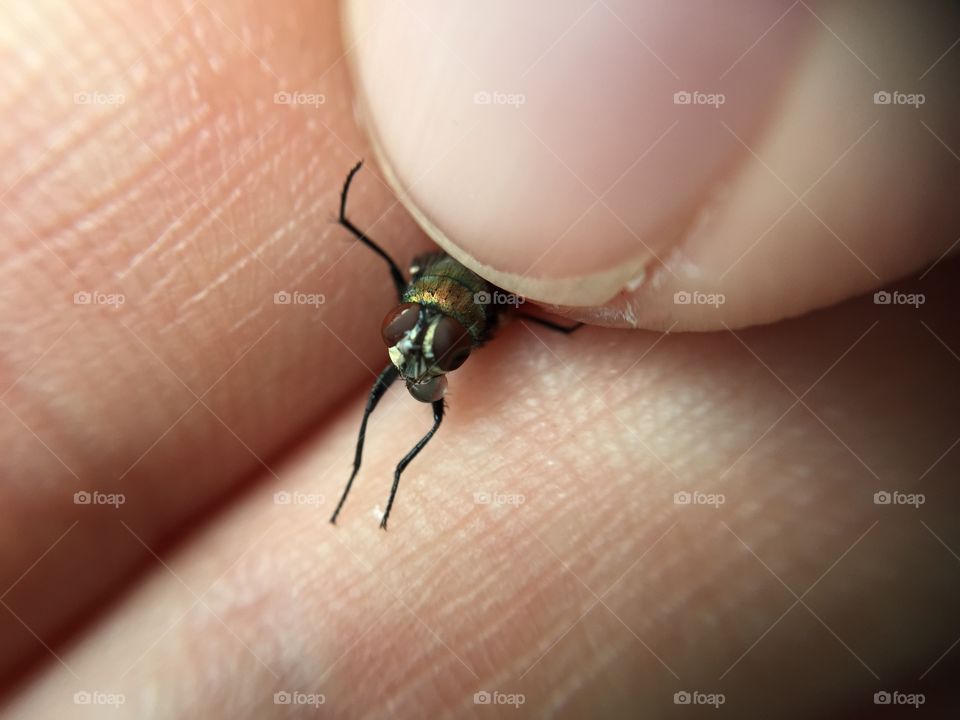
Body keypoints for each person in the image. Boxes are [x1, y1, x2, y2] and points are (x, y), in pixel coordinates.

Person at [2, 1, 958, 717]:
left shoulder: (475, 311)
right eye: (418, 345)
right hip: (463, 266)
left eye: (433, 349)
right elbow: (427, 281)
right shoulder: (428, 330)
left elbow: (540, 311)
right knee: (389, 411)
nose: (421, 360)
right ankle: (357, 489)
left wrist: (517, 291)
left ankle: (369, 489)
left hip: (490, 252)